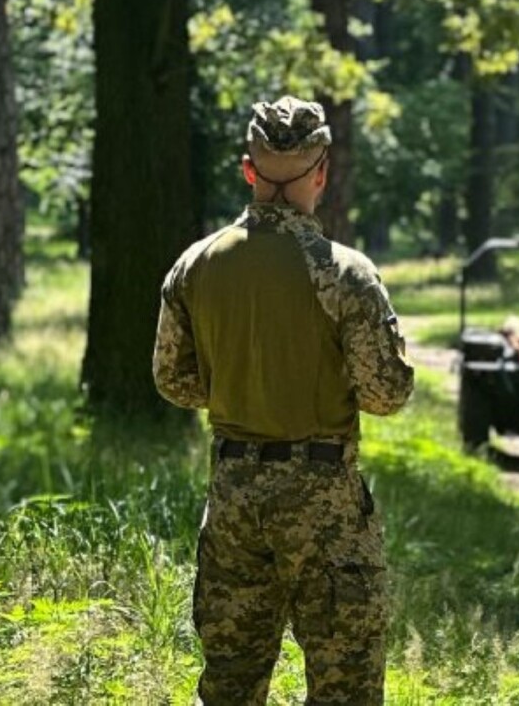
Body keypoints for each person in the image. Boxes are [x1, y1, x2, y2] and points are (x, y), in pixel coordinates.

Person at [152, 96, 414, 705]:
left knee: (231, 684)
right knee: (343, 684)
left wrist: (245, 382)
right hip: (324, 501)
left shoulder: (195, 266)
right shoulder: (346, 274)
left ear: (249, 170)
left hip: (236, 498)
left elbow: (174, 381)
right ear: (321, 172)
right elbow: (386, 394)